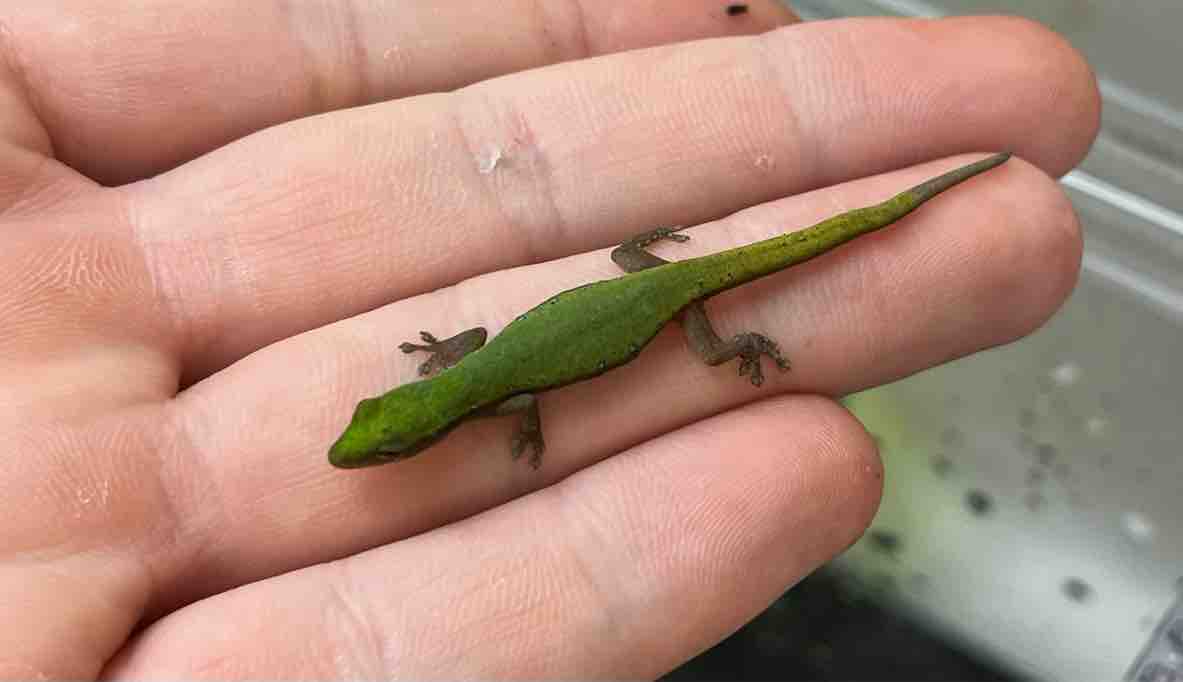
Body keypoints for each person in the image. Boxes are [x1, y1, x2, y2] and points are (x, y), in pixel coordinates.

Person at [0, 2, 1096, 677]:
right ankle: (896, 208)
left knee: (724, 346)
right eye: (384, 436)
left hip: (670, 303)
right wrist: (452, 364)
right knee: (736, 261)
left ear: (433, 427)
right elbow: (479, 341)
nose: (372, 447)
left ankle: (757, 341)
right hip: (642, 271)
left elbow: (511, 386)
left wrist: (519, 428)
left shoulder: (501, 398)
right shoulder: (476, 373)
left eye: (387, 439)